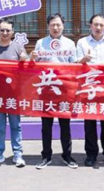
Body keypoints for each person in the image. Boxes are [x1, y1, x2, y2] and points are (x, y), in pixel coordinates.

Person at [32, 13, 78, 169]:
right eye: (53, 25)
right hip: (46, 89)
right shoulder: (40, 43)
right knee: (46, 126)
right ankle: (46, 156)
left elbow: (75, 66)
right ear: (48, 26)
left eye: (58, 25)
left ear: (63, 26)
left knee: (65, 125)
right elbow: (34, 64)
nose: (56, 28)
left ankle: (67, 155)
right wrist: (33, 57)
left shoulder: (70, 44)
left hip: (64, 90)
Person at [75, 14, 104, 167]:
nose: (98, 27)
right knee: (89, 123)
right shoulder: (82, 42)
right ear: (90, 25)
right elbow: (76, 64)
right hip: (89, 87)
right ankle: (91, 154)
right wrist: (84, 60)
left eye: (101, 25)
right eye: (95, 24)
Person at [0, 18, 29, 168]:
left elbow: (27, 70)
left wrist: (25, 60)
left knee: (16, 126)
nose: (4, 33)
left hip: (14, 95)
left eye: (8, 30)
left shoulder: (18, 48)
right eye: (2, 30)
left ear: (12, 32)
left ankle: (18, 154)